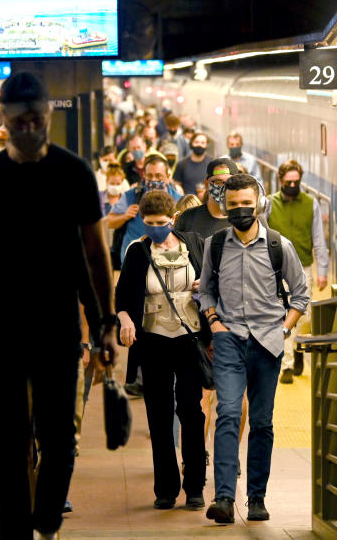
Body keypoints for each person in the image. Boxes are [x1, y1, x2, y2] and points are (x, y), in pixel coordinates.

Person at [0, 72, 117, 540]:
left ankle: (47, 518)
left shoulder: (74, 172)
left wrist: (105, 321)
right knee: (7, 438)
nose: (28, 127)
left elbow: (96, 254)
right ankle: (15, 533)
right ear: (3, 119)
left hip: (58, 323)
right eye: (19, 120)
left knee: (59, 437)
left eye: (35, 118)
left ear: (48, 117)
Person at [199, 174, 310, 524]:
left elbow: (301, 294)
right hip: (229, 339)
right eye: (233, 205)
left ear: (258, 203)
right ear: (225, 206)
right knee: (228, 414)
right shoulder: (215, 246)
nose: (240, 210)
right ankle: (223, 497)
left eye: (246, 203)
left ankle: (257, 498)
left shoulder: (279, 246)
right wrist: (215, 322)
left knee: (261, 421)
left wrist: (284, 327)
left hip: (267, 344)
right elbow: (206, 290)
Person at [116, 190, 207, 510]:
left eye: (162, 222)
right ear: (143, 221)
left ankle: (195, 484)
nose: (156, 228)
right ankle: (165, 488)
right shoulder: (137, 252)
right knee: (158, 412)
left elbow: (213, 284)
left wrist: (202, 287)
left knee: (191, 411)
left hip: (188, 336)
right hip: (153, 339)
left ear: (173, 219)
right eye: (150, 223)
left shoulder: (193, 245)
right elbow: (122, 297)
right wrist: (126, 319)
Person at [267, 160, 329, 383]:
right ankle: (288, 365)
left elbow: (319, 239)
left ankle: (298, 348)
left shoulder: (310, 203)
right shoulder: (270, 204)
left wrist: (322, 268)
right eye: (288, 181)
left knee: (304, 315)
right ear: (281, 181)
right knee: (283, 315)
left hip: (304, 265)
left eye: (296, 181)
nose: (293, 185)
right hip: (278, 267)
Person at [106, 154, 183, 265]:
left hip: (166, 263)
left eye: (158, 176)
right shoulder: (131, 196)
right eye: (149, 176)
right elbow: (109, 222)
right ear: (144, 175)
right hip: (133, 263)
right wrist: (125, 216)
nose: (153, 180)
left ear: (168, 176)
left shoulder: (178, 200)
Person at [175, 158, 239, 241]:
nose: (223, 187)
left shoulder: (243, 219)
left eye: (229, 182)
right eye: (217, 182)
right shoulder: (188, 218)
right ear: (206, 184)